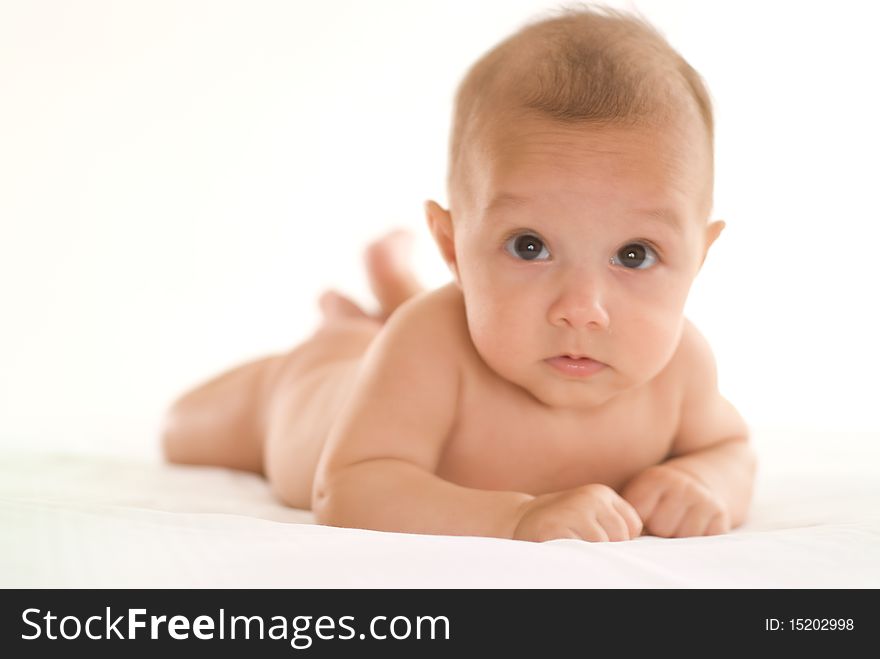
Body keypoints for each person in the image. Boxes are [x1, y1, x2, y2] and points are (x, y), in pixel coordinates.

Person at [162, 5, 757, 542]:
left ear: (698, 257)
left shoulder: (682, 367)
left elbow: (730, 448)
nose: (581, 307)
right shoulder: (428, 346)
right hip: (311, 392)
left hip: (437, 333)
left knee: (450, 318)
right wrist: (516, 518)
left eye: (634, 255)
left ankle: (391, 289)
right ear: (452, 244)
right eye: (529, 246)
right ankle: (347, 328)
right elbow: (346, 490)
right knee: (180, 432)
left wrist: (701, 481)